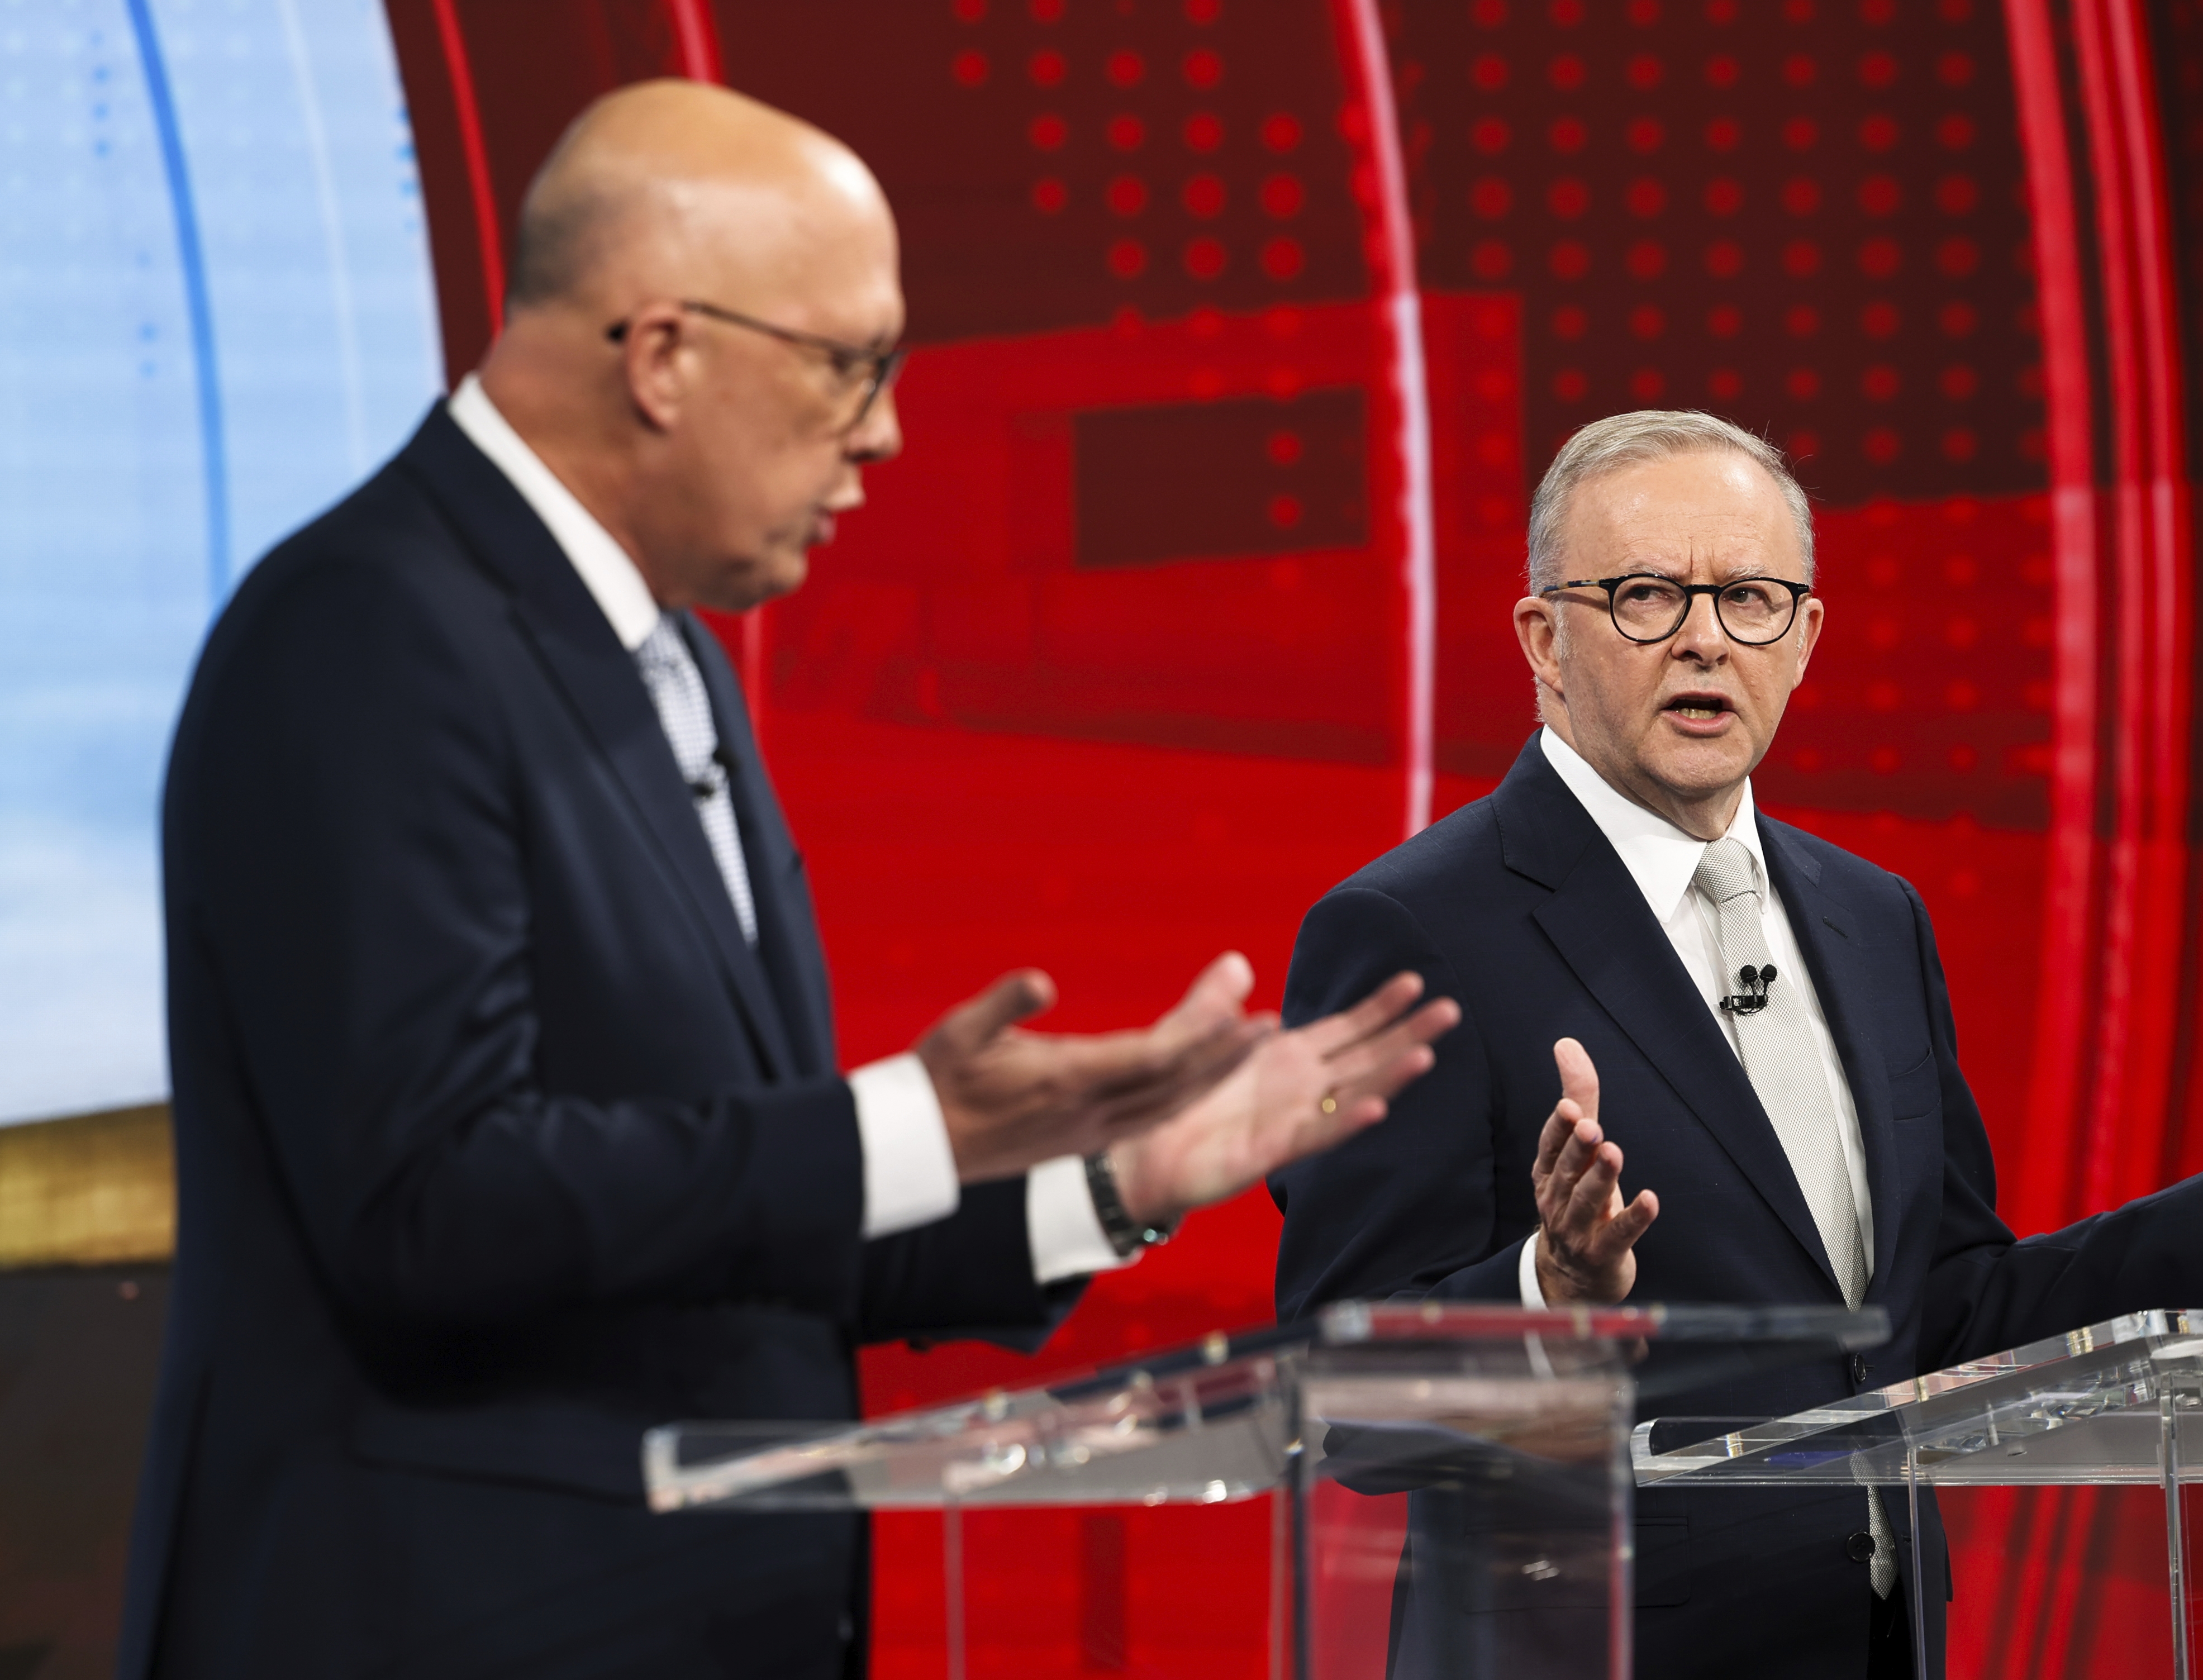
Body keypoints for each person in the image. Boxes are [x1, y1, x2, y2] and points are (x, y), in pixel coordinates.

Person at [120, 80, 1457, 1680]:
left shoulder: (658, 656)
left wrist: (1118, 1180)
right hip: (443, 1623)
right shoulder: (362, 631)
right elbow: (431, 1203)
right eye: (848, 365)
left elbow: (733, 1224)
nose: (886, 428)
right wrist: (906, 1121)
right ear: (664, 352)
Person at [1267, 408, 2203, 1679]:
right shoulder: (1411, 929)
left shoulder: (1871, 919)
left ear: (1802, 639)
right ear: (1541, 638)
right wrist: (1549, 1291)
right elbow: (1343, 1399)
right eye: (1646, 595)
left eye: (1749, 598)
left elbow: (1942, 1321)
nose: (1704, 636)